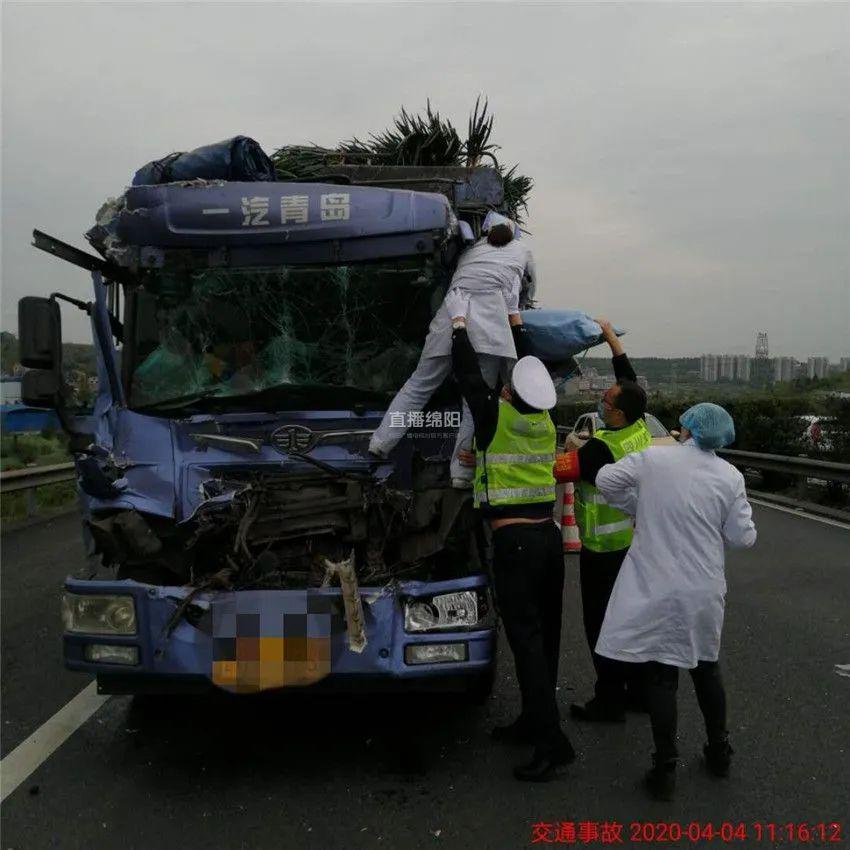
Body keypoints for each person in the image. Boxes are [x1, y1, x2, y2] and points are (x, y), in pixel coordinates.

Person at [592, 403, 757, 800]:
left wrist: (640, 506)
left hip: (658, 586)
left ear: (683, 428)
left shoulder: (653, 459)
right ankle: (719, 751)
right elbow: (742, 537)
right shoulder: (730, 475)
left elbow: (605, 480)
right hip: (703, 589)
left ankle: (665, 767)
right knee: (706, 668)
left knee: (662, 676)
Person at [448, 287, 574, 783]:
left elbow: (467, 375)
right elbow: (530, 372)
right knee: (543, 643)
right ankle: (532, 722)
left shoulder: (495, 418)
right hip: (547, 539)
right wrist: (516, 323)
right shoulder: (544, 420)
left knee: (525, 643)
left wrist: (460, 324)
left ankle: (551, 743)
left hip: (516, 545)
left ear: (508, 393)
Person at [369, 213, 536, 487]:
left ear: (484, 232)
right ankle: (460, 473)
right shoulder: (523, 250)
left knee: (418, 386)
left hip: (450, 321)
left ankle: (380, 442)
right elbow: (529, 289)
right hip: (489, 333)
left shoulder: (469, 251)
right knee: (473, 403)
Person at [552, 320, 652, 722]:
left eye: (606, 402)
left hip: (602, 552)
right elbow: (627, 381)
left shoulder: (601, 449)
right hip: (632, 545)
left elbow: (559, 470)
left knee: (601, 627)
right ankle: (640, 694)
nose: (602, 402)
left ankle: (609, 699)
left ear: (618, 412)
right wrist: (612, 339)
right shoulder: (639, 428)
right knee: (632, 620)